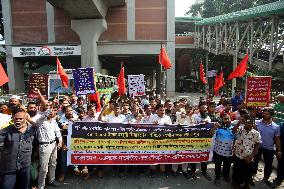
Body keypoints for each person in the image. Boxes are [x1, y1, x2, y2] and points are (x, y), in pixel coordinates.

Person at [0, 108, 37, 189]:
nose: (18, 120)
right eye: (16, 118)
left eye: (21, 119)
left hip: (25, 167)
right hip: (9, 168)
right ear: (13, 118)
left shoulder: (32, 129)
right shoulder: (5, 130)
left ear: (26, 119)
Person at [252, 108, 281, 187]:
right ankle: (253, 173)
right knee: (255, 161)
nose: (264, 114)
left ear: (271, 115)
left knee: (268, 164)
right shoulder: (256, 122)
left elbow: (277, 139)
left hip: (269, 148)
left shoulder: (276, 127)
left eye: (266, 114)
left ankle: (266, 178)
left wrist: (279, 150)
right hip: (257, 147)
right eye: (263, 113)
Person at [232, 114, 261, 189]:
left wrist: (251, 156)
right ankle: (237, 184)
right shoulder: (240, 129)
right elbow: (233, 131)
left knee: (248, 172)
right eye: (249, 122)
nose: (250, 124)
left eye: (252, 123)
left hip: (249, 157)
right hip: (238, 155)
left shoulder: (256, 133)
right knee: (237, 171)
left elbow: (257, 144)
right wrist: (239, 122)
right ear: (245, 122)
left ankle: (246, 185)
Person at [190, 101, 212, 181]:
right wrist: (200, 123)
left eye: (206, 108)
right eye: (203, 108)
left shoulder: (208, 117)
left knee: (204, 155)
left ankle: (204, 171)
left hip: (205, 139)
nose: (205, 109)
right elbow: (191, 126)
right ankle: (192, 171)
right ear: (199, 108)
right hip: (195, 139)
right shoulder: (194, 116)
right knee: (194, 156)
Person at [213, 113, 234, 186]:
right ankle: (217, 178)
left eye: (228, 119)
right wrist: (214, 128)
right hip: (218, 151)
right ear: (222, 120)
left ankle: (226, 176)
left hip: (229, 152)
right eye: (225, 119)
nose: (227, 120)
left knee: (227, 165)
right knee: (218, 165)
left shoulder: (233, 128)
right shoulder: (218, 128)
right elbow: (211, 134)